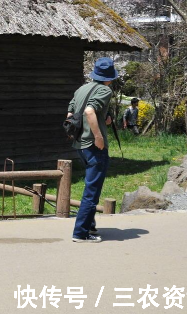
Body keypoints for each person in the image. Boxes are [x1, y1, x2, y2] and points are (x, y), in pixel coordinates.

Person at [66, 57, 118, 243]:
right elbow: (89, 111)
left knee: (90, 185)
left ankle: (90, 225)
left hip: (80, 144)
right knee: (92, 190)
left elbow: (71, 114)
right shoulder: (105, 90)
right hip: (94, 146)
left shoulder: (82, 89)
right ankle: (80, 233)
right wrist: (98, 136)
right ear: (110, 77)